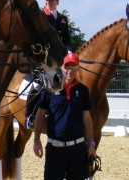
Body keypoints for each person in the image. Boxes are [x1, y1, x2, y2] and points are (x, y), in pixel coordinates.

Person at [33, 52, 97, 180]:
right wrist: (36, 140)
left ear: (77, 69)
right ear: (63, 67)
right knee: (33, 87)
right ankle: (27, 118)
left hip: (77, 150)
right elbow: (40, 113)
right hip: (54, 150)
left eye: (74, 67)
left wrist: (91, 144)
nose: (70, 71)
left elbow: (86, 118)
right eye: (68, 67)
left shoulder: (83, 90)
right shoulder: (50, 89)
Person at [25, 0, 72, 129]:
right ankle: (29, 116)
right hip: (43, 57)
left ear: (57, 1)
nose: (48, 1)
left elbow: (67, 40)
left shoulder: (63, 19)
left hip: (60, 56)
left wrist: (69, 53)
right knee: (38, 85)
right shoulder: (40, 16)